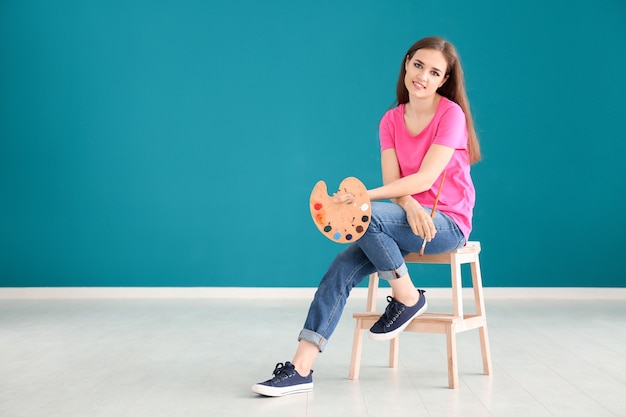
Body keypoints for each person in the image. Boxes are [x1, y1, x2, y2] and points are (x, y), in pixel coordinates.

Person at [252, 36, 481, 397]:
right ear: (407, 63)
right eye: (418, 65)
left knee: (365, 215)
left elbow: (424, 178)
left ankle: (408, 296)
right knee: (339, 270)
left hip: (446, 222)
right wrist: (406, 204)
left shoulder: (451, 114)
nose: (422, 76)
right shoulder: (391, 120)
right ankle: (300, 368)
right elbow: (395, 183)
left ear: (443, 80)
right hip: (404, 219)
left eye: (434, 72)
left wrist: (360, 197)